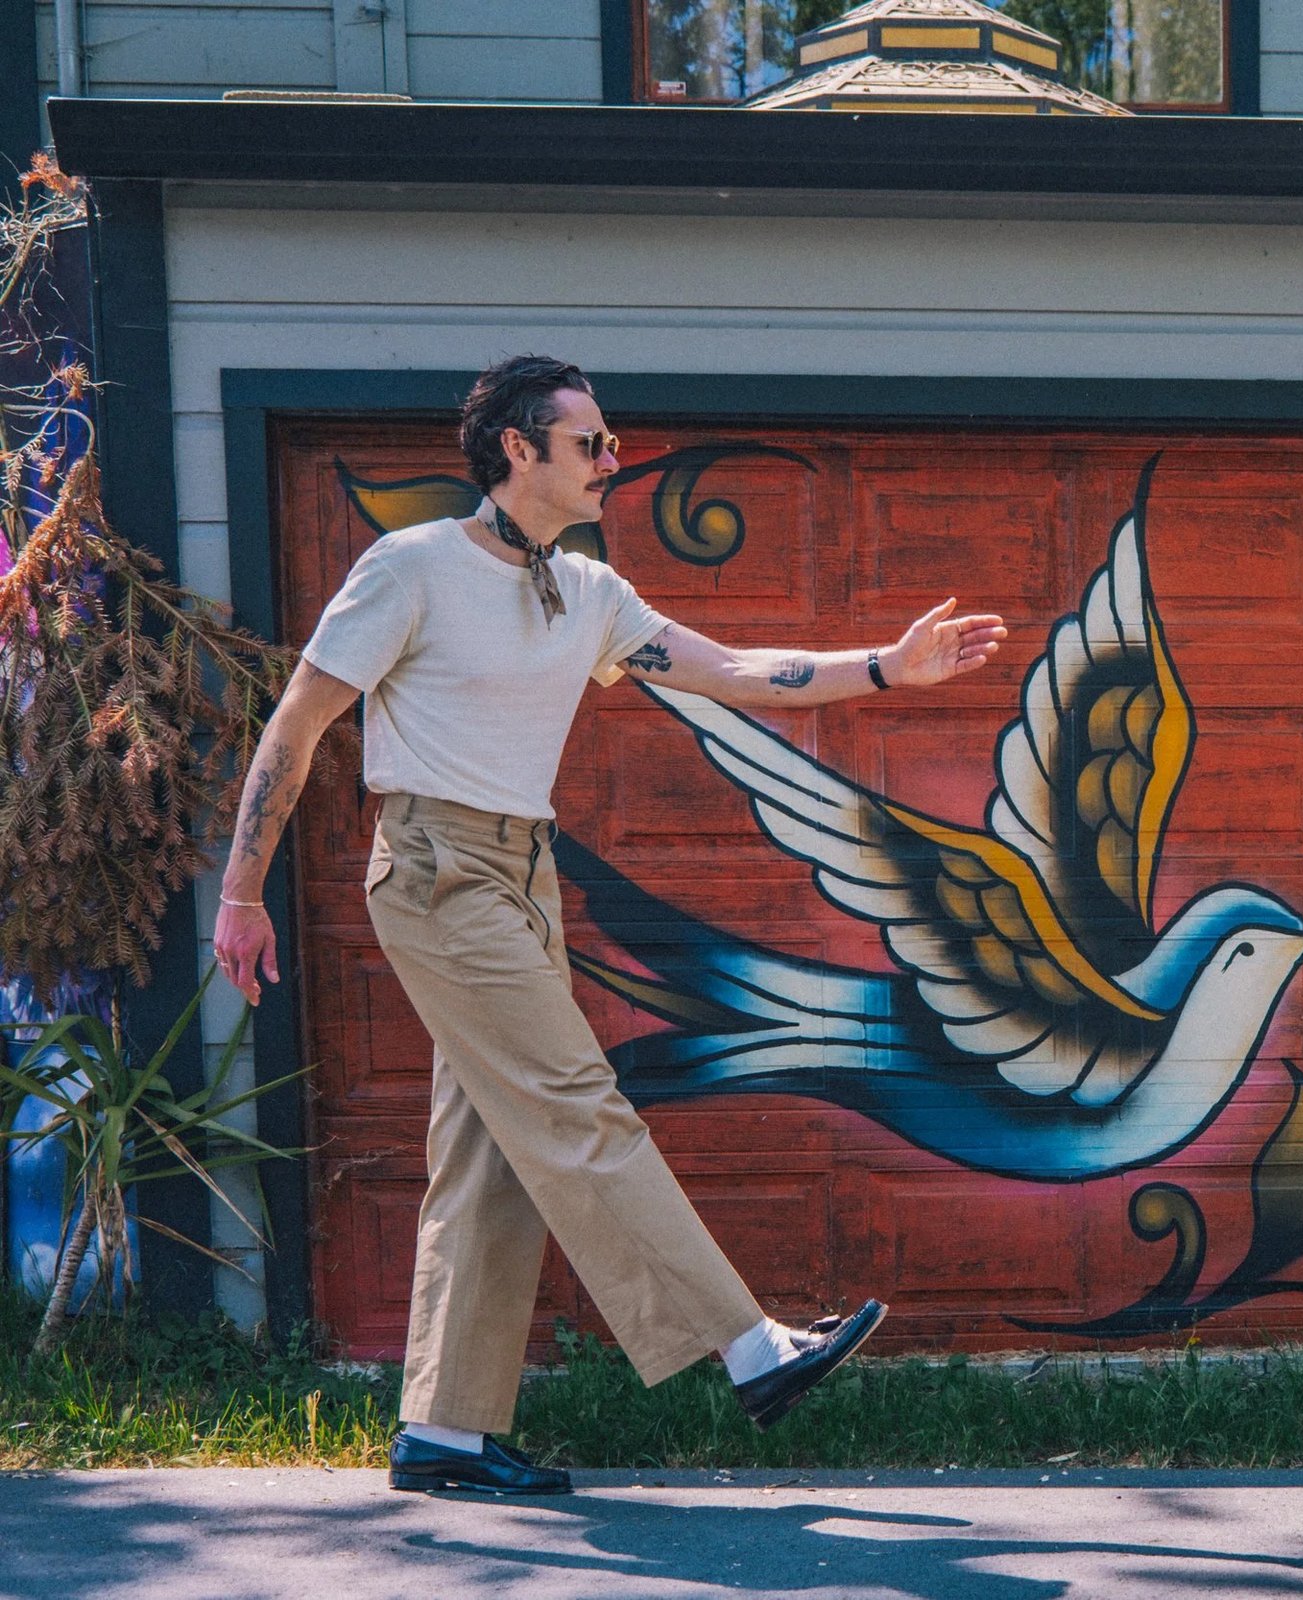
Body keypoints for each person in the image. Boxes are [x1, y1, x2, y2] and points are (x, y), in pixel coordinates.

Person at [209, 355, 1006, 1496]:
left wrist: (886, 667)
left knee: (493, 1148)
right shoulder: (413, 568)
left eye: (610, 440)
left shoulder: (585, 591)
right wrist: (241, 894)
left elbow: (730, 669)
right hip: (439, 870)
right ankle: (748, 1345)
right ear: (517, 451)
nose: (612, 459)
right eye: (589, 443)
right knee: (580, 1104)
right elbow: (298, 722)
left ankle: (444, 1432)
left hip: (523, 875)